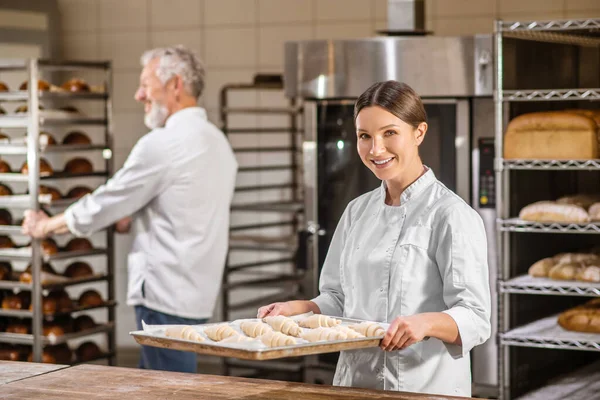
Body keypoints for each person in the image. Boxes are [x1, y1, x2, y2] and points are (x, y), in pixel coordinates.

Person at [257, 81, 491, 397]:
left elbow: (475, 317)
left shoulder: (450, 214)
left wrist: (425, 324)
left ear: (419, 133)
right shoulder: (357, 211)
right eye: (365, 136)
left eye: (389, 133)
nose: (375, 149)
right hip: (354, 383)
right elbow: (338, 299)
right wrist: (298, 308)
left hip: (423, 388)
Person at [22, 45, 238, 373]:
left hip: (163, 295)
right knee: (163, 381)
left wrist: (46, 226)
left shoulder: (163, 143)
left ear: (175, 85)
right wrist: (137, 215)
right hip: (197, 292)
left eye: (146, 84)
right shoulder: (217, 141)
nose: (139, 95)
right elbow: (185, 204)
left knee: (168, 391)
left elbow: (105, 203)